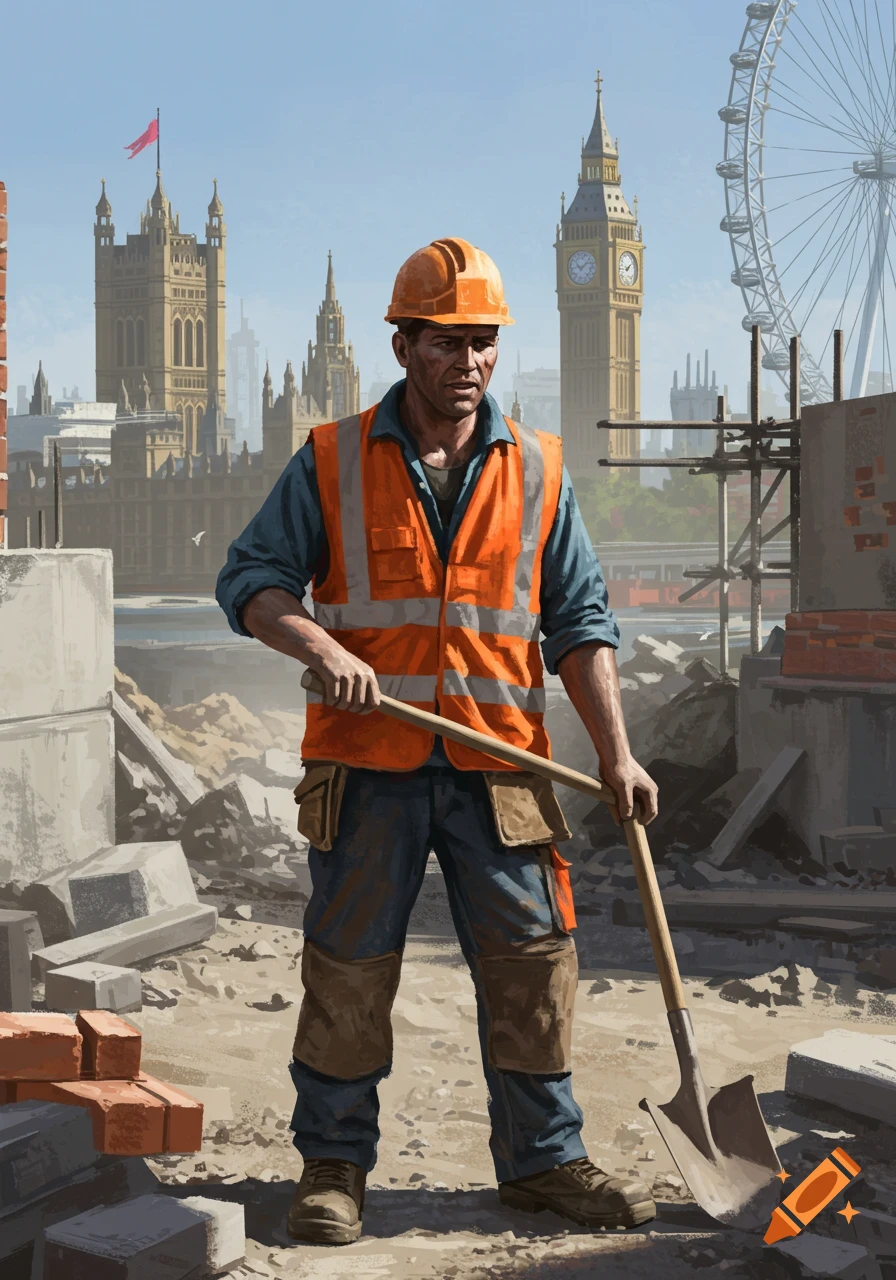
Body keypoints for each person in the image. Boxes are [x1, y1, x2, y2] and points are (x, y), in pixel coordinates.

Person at [215, 236, 659, 1247]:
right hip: (368, 765)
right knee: (348, 966)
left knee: (529, 964)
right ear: (403, 342)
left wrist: (617, 753)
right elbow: (251, 580)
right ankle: (333, 1163)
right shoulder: (329, 458)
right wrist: (317, 641)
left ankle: (543, 1161)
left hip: (500, 764)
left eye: (483, 340)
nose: (468, 360)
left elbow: (580, 622)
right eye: (447, 340)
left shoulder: (539, 469)